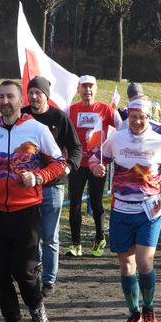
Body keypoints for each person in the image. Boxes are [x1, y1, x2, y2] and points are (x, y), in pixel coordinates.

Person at [0, 80, 67, 322]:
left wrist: (37, 177)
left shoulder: (37, 130)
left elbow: (58, 163)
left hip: (26, 211)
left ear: (20, 99)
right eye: (0, 97)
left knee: (24, 272)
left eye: (10, 96)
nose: (5, 101)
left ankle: (37, 309)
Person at [90, 97, 161, 322]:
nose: (136, 121)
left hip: (150, 210)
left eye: (141, 117)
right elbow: (95, 158)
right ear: (128, 117)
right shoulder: (115, 139)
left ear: (148, 118)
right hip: (122, 209)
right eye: (133, 117)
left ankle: (149, 308)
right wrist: (96, 167)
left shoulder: (160, 142)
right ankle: (134, 312)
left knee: (144, 262)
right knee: (126, 265)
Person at [21, 76, 82, 297]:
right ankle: (34, 273)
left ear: (46, 95)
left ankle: (48, 279)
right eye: (31, 92)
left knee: (49, 235)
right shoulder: (22, 116)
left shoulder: (59, 117)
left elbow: (76, 147)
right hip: (27, 186)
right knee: (30, 234)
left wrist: (69, 167)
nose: (35, 97)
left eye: (39, 93)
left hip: (53, 185)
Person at [67, 75, 121, 257]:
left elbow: (123, 129)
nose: (87, 90)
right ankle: (76, 244)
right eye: (84, 87)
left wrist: (113, 151)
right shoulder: (70, 110)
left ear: (96, 89)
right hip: (77, 164)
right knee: (74, 203)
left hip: (98, 163)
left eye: (91, 87)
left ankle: (99, 238)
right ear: (78, 90)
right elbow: (62, 132)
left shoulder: (106, 110)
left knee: (96, 202)